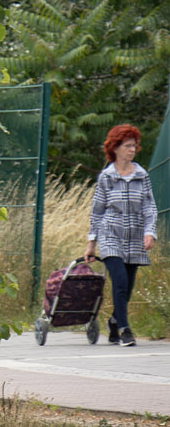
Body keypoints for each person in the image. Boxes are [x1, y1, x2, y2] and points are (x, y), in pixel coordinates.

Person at [85, 124, 156, 346]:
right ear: (115, 148)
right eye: (127, 146)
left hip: (135, 235)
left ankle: (115, 321)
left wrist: (149, 232)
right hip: (110, 234)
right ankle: (125, 330)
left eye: (134, 146)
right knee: (120, 281)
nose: (132, 150)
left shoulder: (141, 175)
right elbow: (97, 211)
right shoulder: (107, 177)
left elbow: (149, 207)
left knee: (129, 286)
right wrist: (91, 244)